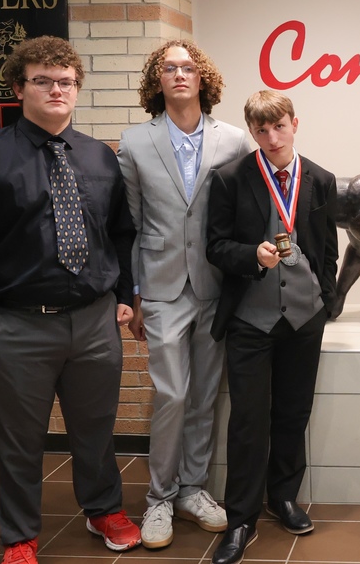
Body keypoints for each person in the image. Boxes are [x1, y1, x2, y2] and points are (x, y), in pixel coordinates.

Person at [0, 36, 141, 564]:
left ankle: (103, 510)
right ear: (18, 87)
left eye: (66, 82)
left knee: (96, 429)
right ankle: (20, 536)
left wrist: (123, 295)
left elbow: (120, 232)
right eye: (44, 81)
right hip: (14, 326)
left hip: (95, 323)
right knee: (18, 440)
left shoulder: (99, 157)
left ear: (77, 89)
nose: (57, 90)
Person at [118, 40, 252, 549]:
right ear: (157, 80)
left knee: (203, 396)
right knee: (172, 393)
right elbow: (129, 225)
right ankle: (158, 499)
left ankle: (193, 490)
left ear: (203, 79)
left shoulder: (234, 140)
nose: (179, 75)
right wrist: (134, 294)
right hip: (161, 287)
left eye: (188, 67)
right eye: (169, 68)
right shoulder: (134, 142)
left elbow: (240, 214)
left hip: (215, 285)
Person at [205, 90, 338, 564]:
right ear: (252, 132)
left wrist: (326, 299)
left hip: (305, 318)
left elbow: (327, 249)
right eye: (261, 130)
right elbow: (216, 247)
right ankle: (240, 519)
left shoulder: (321, 179)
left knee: (292, 413)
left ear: (294, 123)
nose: (271, 137)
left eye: (279, 126)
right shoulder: (230, 180)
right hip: (250, 321)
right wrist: (250, 256)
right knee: (247, 421)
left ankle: (282, 496)